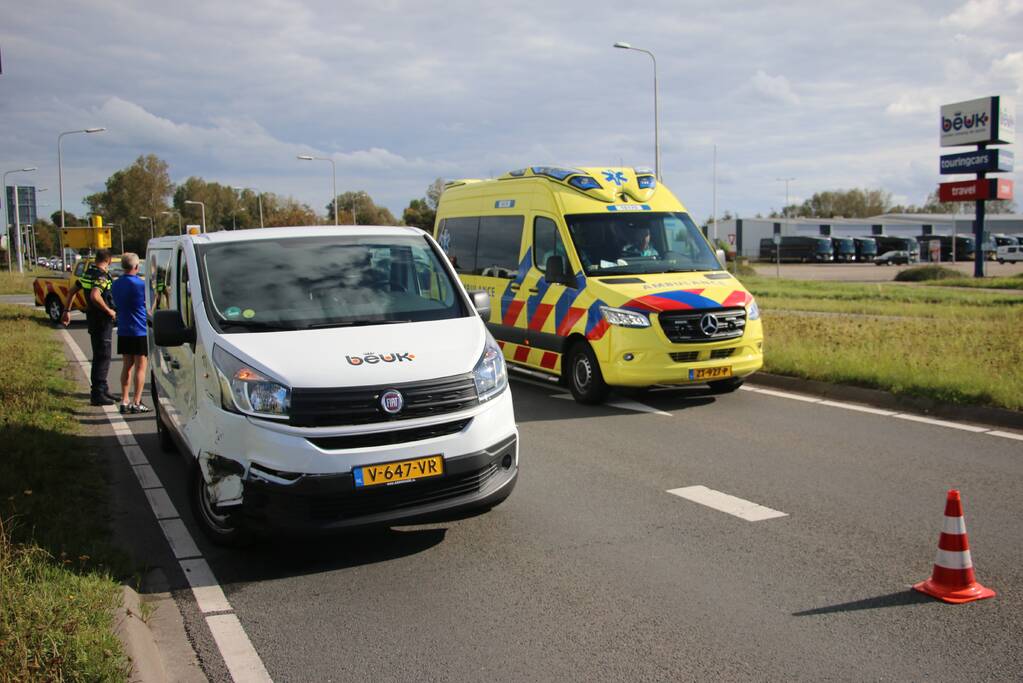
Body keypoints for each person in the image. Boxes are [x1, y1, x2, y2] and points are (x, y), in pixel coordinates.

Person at [62, 249, 117, 405]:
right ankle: (98, 394)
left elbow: (72, 290)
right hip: (102, 320)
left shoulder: (88, 273)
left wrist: (67, 310)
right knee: (103, 356)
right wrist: (109, 310)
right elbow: (95, 295)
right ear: (109, 260)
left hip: (92, 318)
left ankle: (103, 388)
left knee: (99, 354)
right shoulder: (101, 276)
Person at [111, 252, 150, 414]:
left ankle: (124, 399)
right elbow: (150, 306)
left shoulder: (116, 284)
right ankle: (137, 401)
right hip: (140, 329)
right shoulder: (141, 285)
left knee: (127, 365)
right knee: (141, 366)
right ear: (136, 266)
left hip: (124, 328)